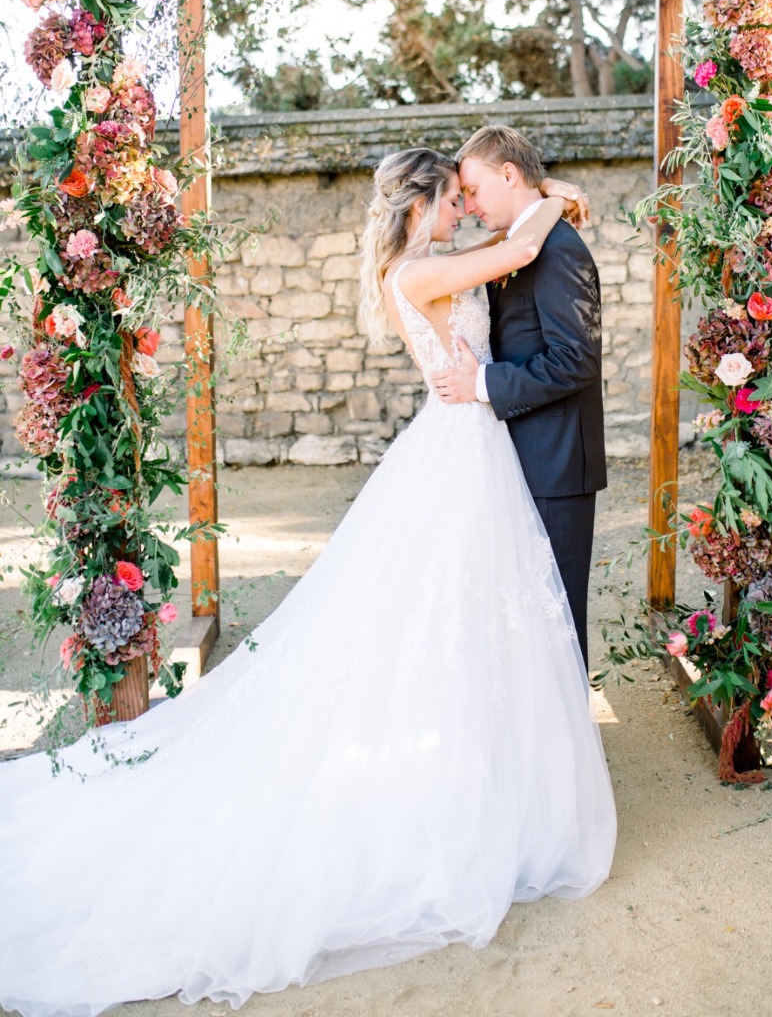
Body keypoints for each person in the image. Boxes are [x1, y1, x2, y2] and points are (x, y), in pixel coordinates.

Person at [0, 148, 616, 1017]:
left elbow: (511, 265)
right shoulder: (425, 265)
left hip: (469, 446)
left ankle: (481, 771)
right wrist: (555, 195)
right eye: (452, 200)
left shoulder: (418, 263)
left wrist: (545, 201)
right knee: (445, 622)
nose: (460, 211)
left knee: (460, 624)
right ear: (424, 204)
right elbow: (515, 255)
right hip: (461, 448)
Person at [433, 126, 606, 671]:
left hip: (555, 463)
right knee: (526, 619)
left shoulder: (557, 249)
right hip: (520, 455)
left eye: (475, 190)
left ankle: (567, 751)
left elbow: (576, 359)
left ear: (508, 174)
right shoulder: (522, 241)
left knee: (556, 619)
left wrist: (481, 384)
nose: (470, 206)